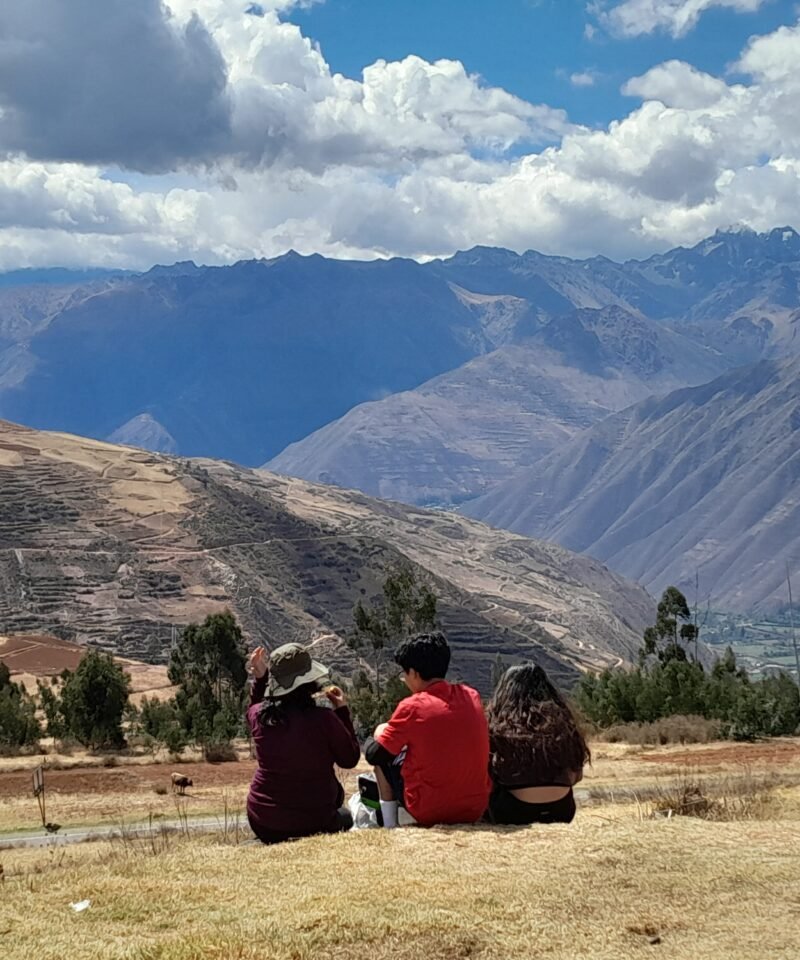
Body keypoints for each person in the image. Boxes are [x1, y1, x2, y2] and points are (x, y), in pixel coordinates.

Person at [364, 631, 491, 828]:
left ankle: (389, 825)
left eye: (404, 674)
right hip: (475, 807)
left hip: (428, 808)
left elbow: (374, 756)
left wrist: (381, 732)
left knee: (383, 749)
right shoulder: (471, 696)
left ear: (414, 673)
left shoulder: (412, 707)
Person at [246, 642, 360, 844]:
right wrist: (342, 711)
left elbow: (254, 705)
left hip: (264, 821)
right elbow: (349, 759)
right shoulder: (324, 719)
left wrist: (260, 679)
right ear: (310, 680)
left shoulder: (259, 717)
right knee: (345, 816)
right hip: (316, 819)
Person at [486, 663, 590, 825]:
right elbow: (577, 776)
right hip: (562, 809)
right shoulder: (562, 724)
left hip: (511, 811)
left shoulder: (497, 728)